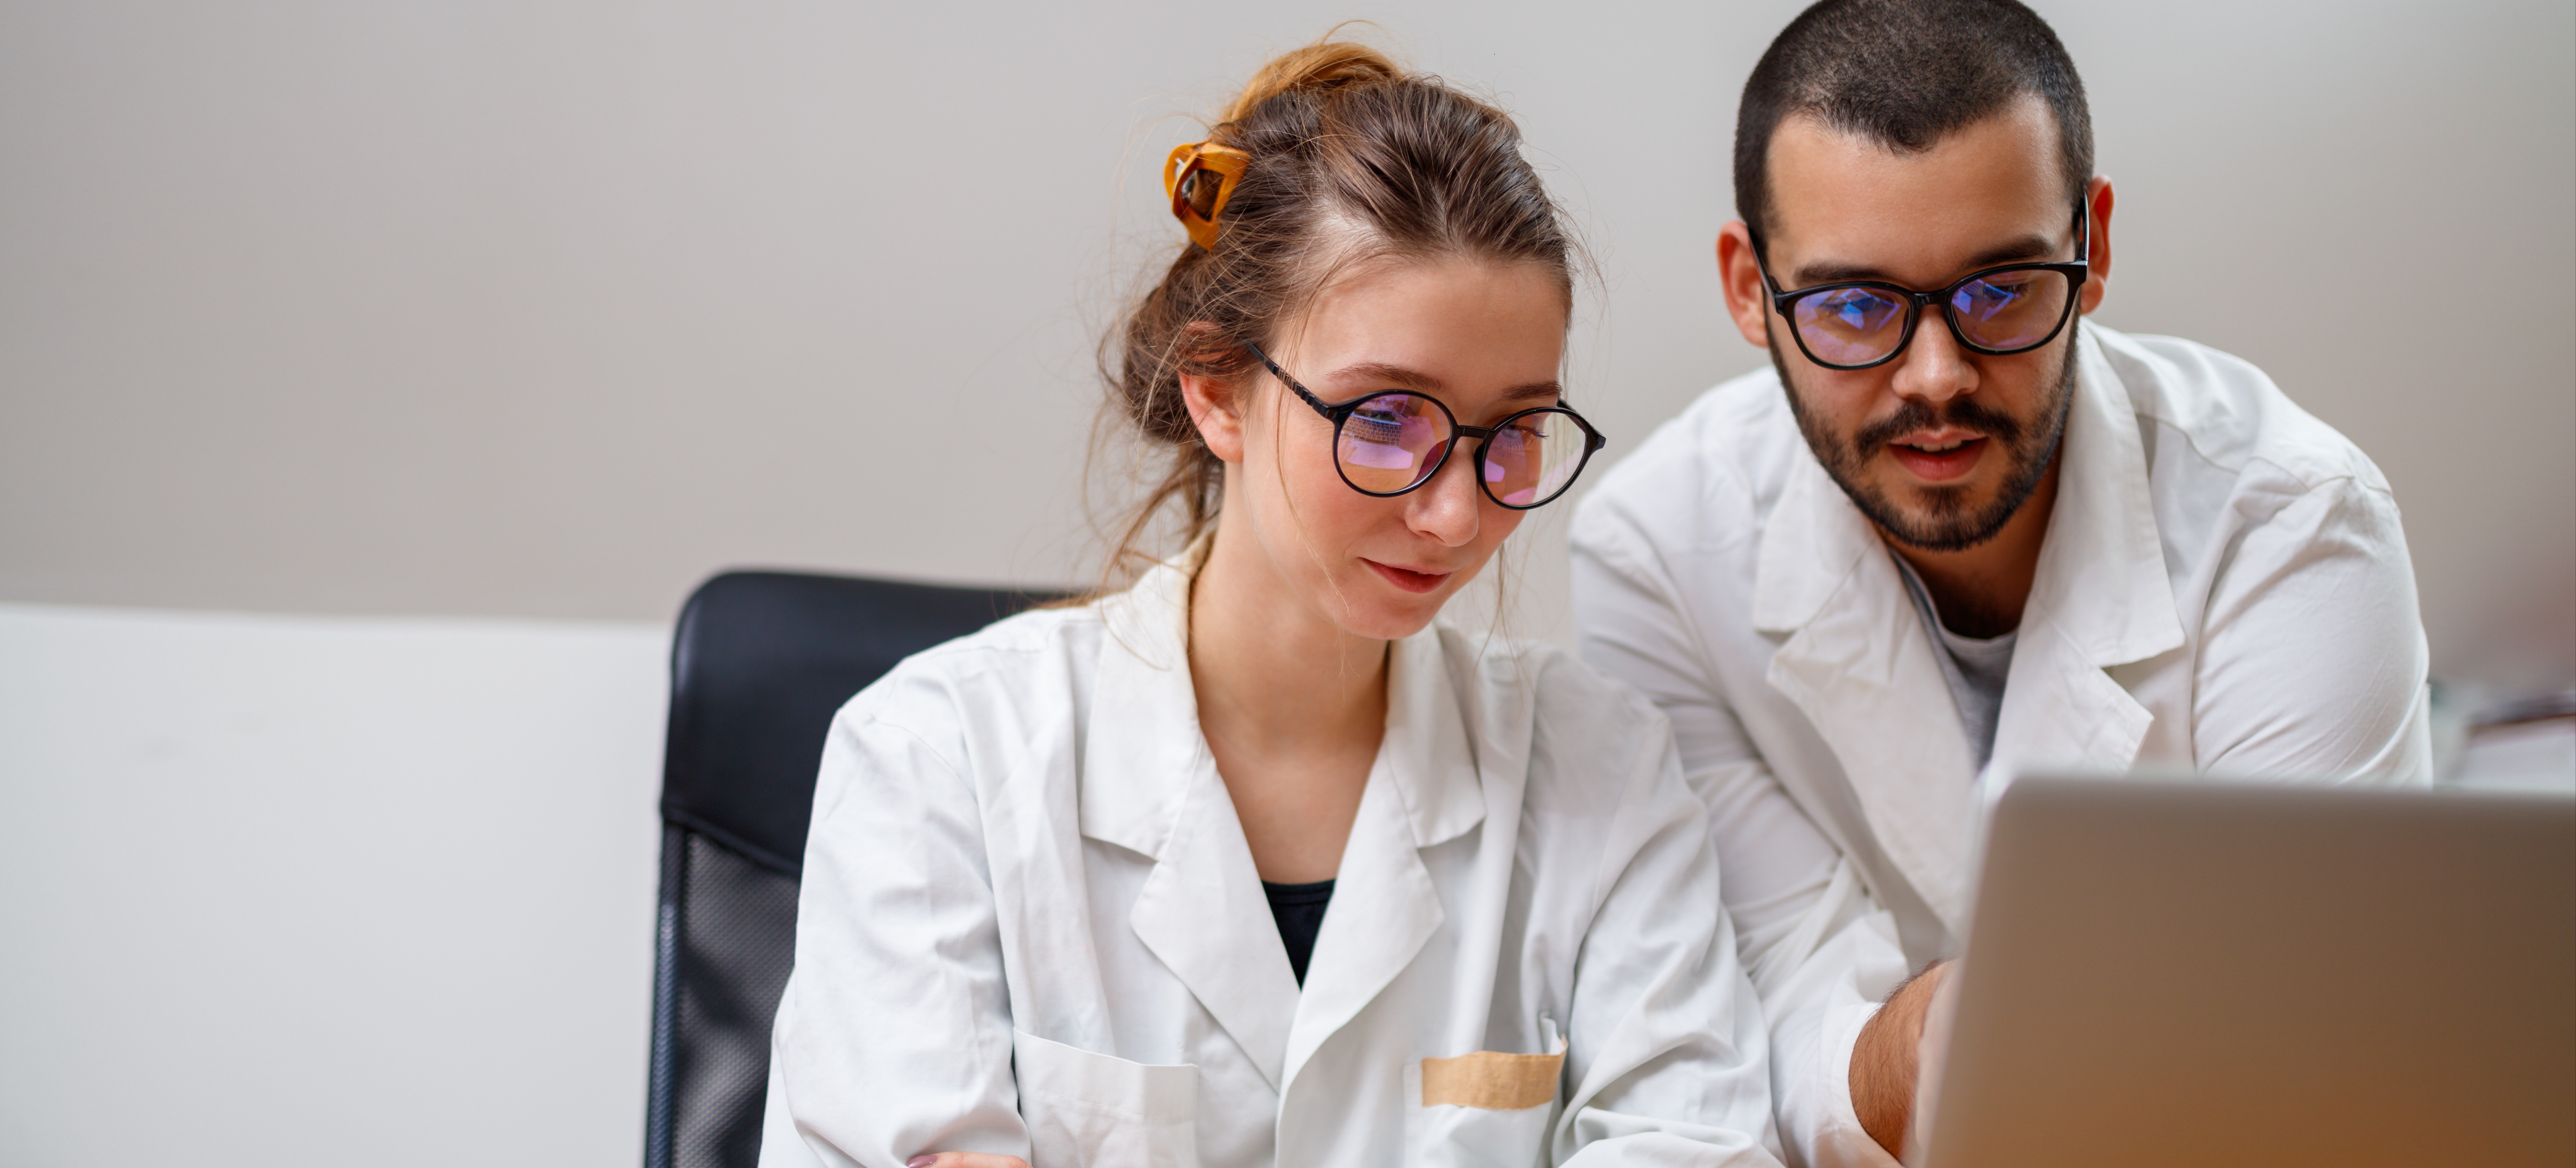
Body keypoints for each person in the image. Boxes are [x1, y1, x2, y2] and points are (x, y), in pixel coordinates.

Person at [760, 39, 1784, 1168]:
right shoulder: (935, 758)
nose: (1456, 516)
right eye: (1387, 419)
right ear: (1217, 390)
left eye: (1513, 434)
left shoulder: (1605, 770)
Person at [1567, 1, 2434, 1164]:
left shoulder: (2289, 520)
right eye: (1854, 306)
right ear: (1746, 287)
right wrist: (1911, 1052)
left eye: (2000, 290)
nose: (1935, 378)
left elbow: (2331, 1058)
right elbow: (1747, 1014)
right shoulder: (1657, 553)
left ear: (2096, 244)